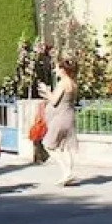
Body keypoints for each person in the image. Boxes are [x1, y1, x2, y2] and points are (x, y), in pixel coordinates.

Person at [37, 56, 81, 186]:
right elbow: (64, 100)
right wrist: (47, 94)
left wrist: (46, 90)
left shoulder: (63, 83)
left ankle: (66, 171)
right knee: (65, 146)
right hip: (69, 116)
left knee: (48, 144)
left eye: (57, 67)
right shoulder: (73, 83)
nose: (55, 70)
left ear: (63, 70)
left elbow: (55, 100)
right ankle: (68, 174)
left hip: (60, 117)